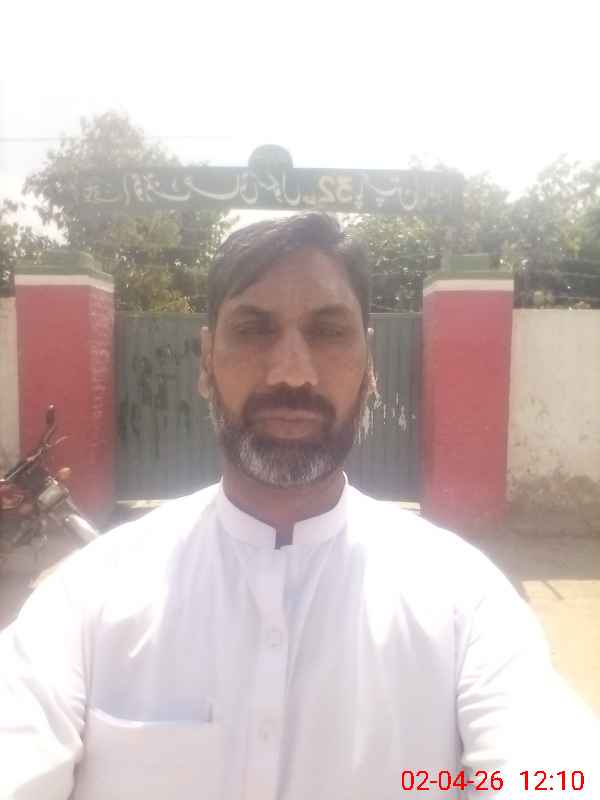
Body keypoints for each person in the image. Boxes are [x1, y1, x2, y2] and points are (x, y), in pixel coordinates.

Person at [0, 212, 597, 800]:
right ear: (206, 361)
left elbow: (547, 768)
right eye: (253, 329)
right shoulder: (86, 598)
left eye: (328, 331)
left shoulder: (464, 600)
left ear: (369, 365)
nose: (292, 373)